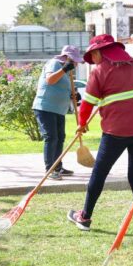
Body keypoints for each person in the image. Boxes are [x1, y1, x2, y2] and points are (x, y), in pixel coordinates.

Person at [67, 34, 133, 238]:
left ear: (100, 51)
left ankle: (85, 218)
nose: (93, 59)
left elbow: (87, 104)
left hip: (116, 132)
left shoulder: (99, 71)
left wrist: (82, 124)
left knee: (99, 173)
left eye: (93, 54)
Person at [32, 45, 83, 181]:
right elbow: (50, 80)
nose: (77, 64)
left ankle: (58, 166)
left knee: (60, 137)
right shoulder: (54, 64)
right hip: (45, 107)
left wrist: (73, 96)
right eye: (75, 61)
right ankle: (50, 170)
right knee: (51, 137)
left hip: (58, 109)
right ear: (67, 58)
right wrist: (65, 68)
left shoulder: (68, 73)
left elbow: (63, 88)